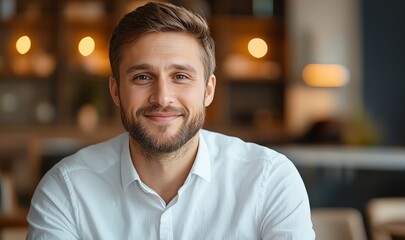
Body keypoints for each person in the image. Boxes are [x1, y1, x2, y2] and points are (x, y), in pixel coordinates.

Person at [27, 2, 315, 239]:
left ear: (208, 90)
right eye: (142, 77)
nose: (162, 97)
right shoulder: (66, 189)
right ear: (115, 91)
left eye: (180, 76)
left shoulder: (270, 180)